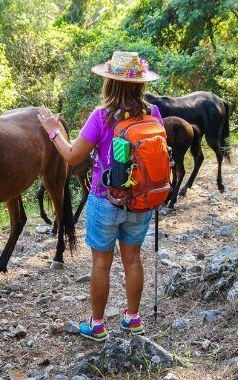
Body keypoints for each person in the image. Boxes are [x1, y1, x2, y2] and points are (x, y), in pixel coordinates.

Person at [37, 51, 162, 341]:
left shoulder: (101, 116)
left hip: (104, 199)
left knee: (101, 264)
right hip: (141, 199)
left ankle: (97, 325)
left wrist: (54, 131)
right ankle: (132, 318)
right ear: (141, 84)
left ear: (109, 82)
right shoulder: (153, 113)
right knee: (133, 259)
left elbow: (72, 155)